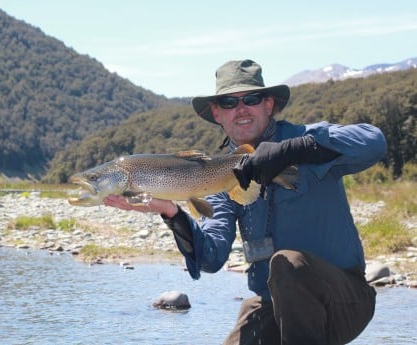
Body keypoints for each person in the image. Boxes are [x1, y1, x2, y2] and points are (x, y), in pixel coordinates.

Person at [104, 59, 386, 344]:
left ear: (268, 105)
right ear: (217, 113)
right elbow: (211, 257)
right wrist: (171, 212)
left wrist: (293, 151)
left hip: (344, 300)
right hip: (273, 305)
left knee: (287, 263)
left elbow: (374, 141)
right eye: (228, 102)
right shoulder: (219, 174)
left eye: (250, 99)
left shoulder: (303, 138)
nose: (240, 109)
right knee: (256, 305)